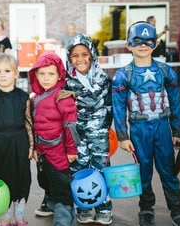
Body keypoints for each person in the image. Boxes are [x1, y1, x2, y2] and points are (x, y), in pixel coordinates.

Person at [112, 21, 180, 226]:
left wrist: (177, 130)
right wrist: (122, 135)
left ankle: (176, 209)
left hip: (162, 127)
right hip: (139, 129)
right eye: (137, 41)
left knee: (168, 169)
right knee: (143, 170)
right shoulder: (123, 75)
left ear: (155, 44)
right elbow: (118, 106)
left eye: (148, 41)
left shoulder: (166, 71)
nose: (143, 45)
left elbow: (175, 102)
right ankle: (146, 208)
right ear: (128, 45)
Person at [66, 34, 113, 224]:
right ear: (69, 58)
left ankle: (104, 207)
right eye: (75, 55)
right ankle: (83, 207)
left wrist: (106, 130)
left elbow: (109, 106)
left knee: (101, 169)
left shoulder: (102, 78)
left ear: (92, 55)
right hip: (77, 136)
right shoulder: (67, 80)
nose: (80, 59)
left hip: (99, 135)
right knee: (79, 168)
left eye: (84, 54)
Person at [0, 53, 34, 226]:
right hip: (0, 144)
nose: (2, 74)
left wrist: (32, 146)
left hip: (20, 142)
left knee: (22, 177)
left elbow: (28, 122)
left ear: (16, 74)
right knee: (2, 178)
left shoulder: (23, 97)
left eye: (7, 70)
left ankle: (19, 215)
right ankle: (6, 215)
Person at [29, 52, 79, 226]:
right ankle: (51, 205)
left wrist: (71, 149)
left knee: (61, 185)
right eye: (41, 74)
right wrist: (34, 147)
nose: (46, 78)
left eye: (51, 74)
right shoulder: (35, 99)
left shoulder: (62, 97)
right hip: (42, 152)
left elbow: (70, 126)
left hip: (58, 151)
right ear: (35, 74)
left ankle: (64, 219)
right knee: (45, 181)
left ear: (59, 75)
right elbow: (34, 125)